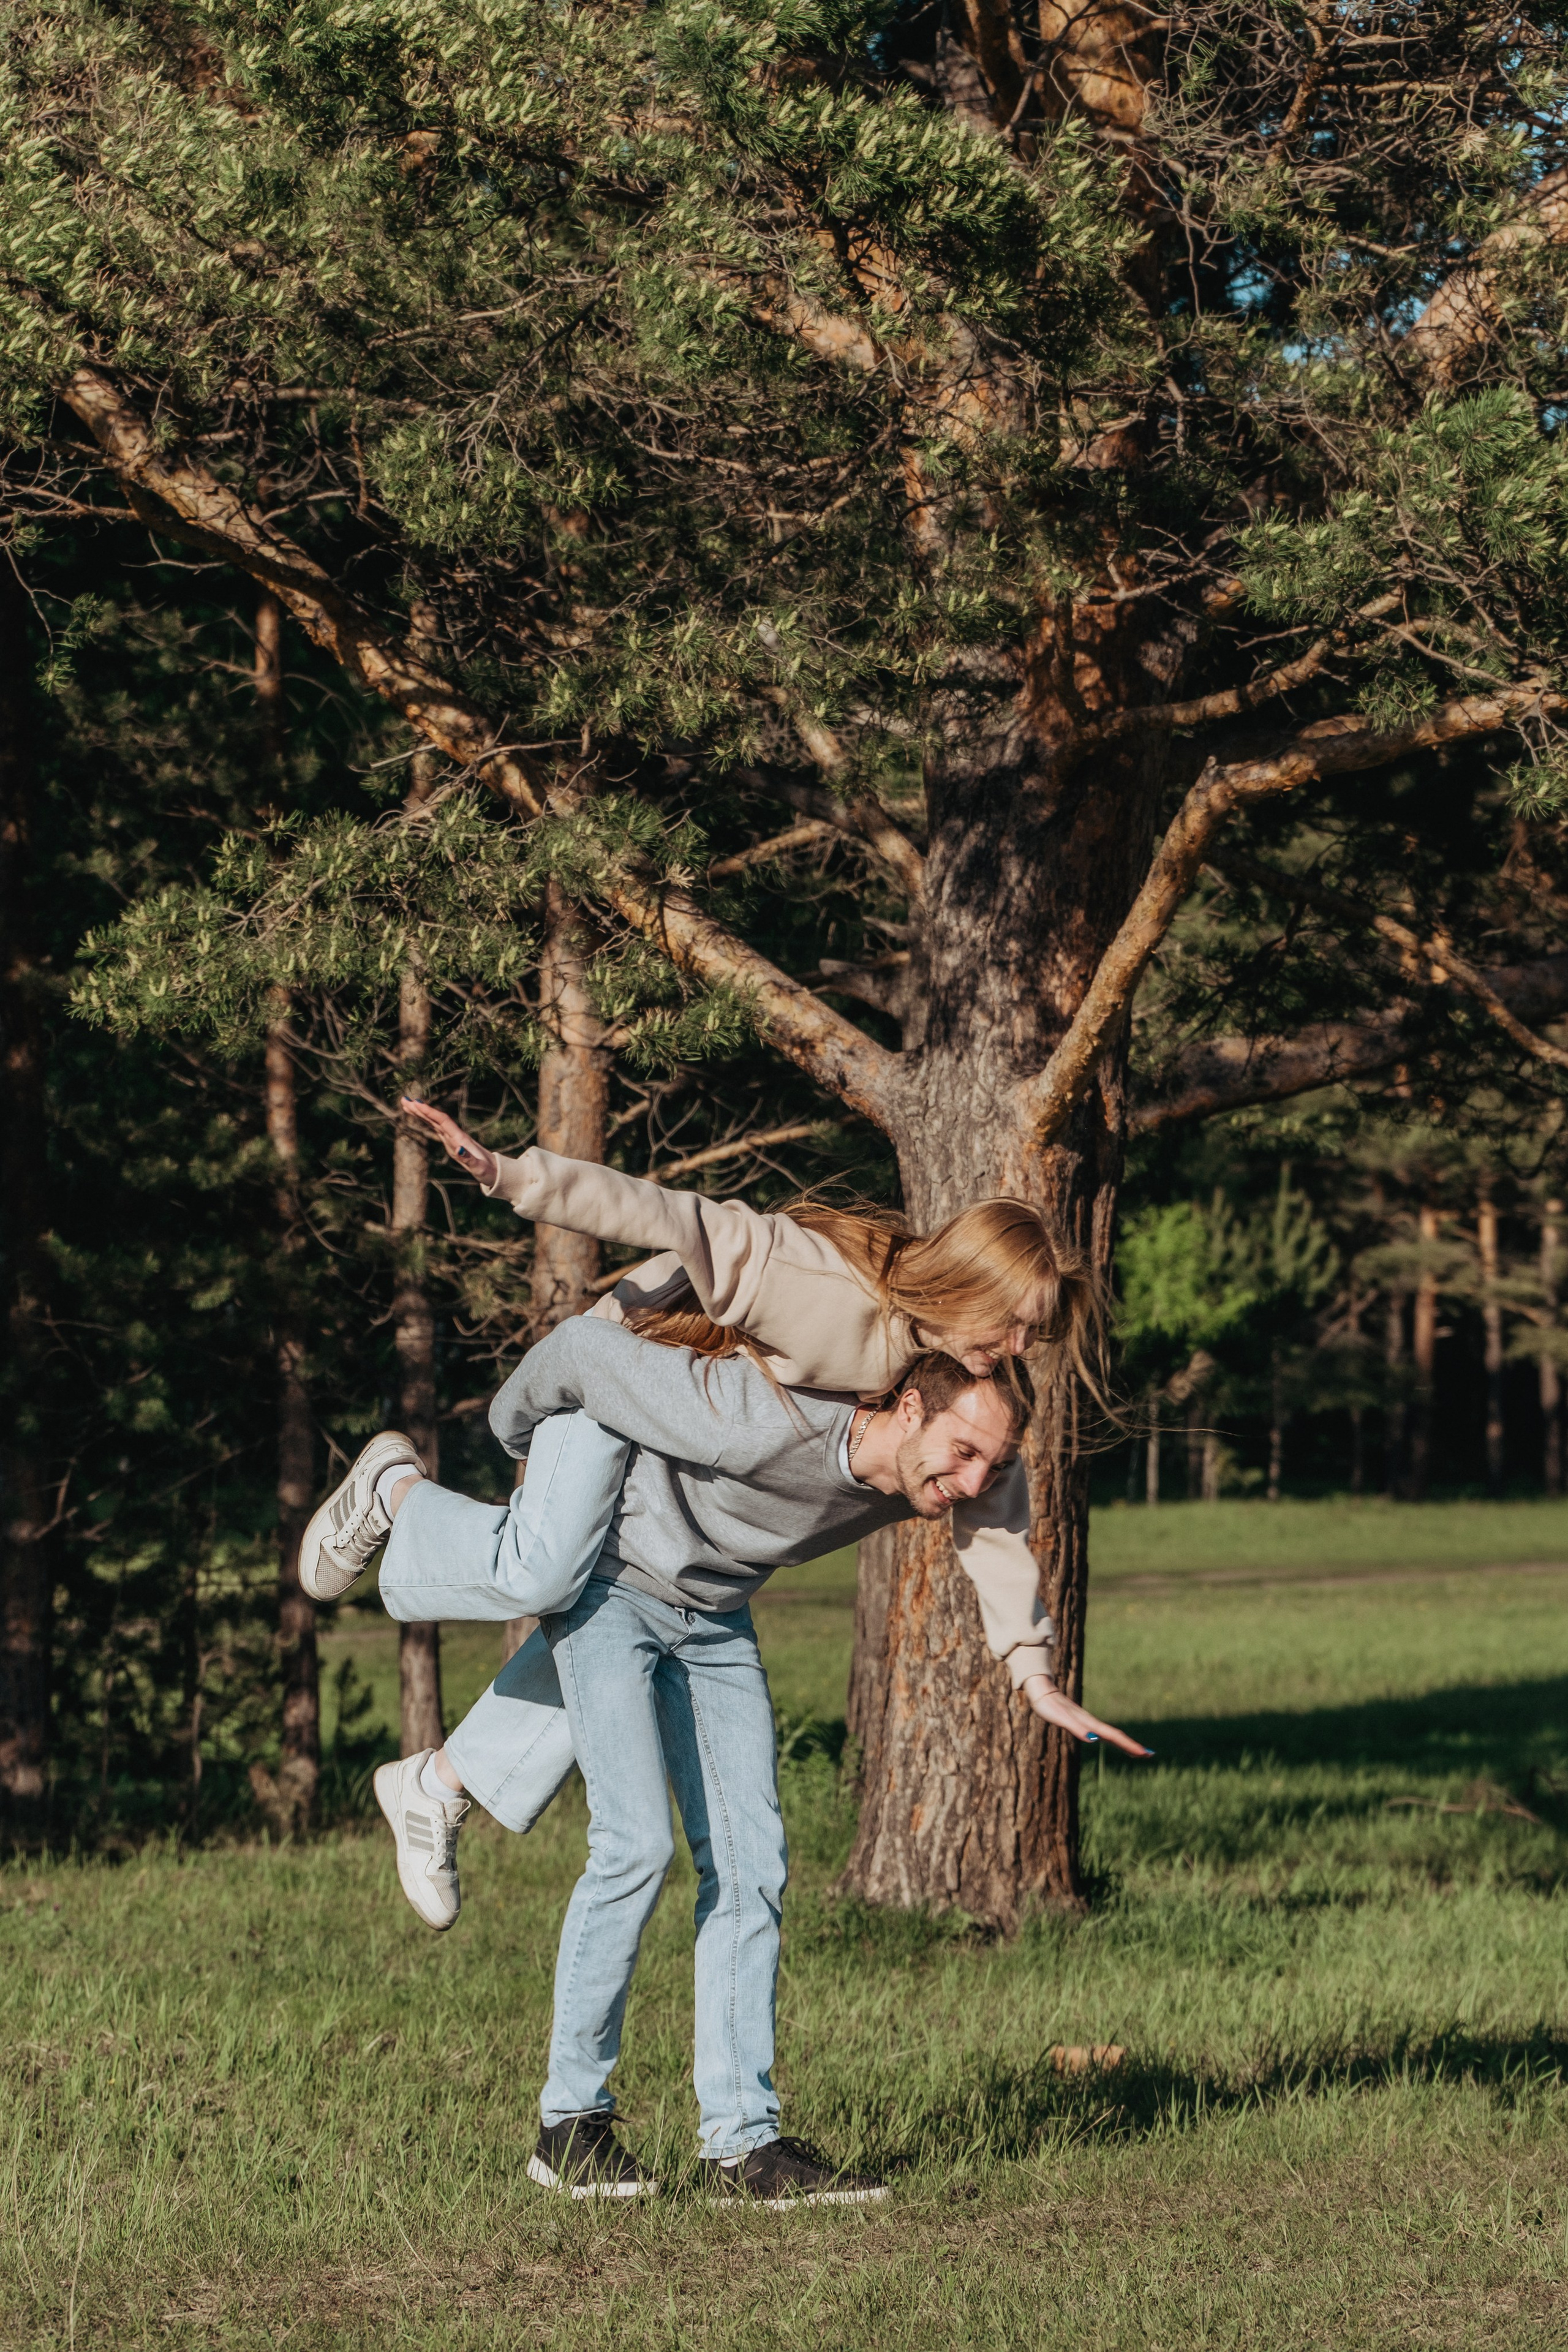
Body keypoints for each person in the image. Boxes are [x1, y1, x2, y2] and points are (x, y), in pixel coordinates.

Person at [304, 1316, 1147, 2205]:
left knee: (754, 1866)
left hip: (713, 1616)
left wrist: (1035, 1672)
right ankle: (570, 2128)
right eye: (965, 1451)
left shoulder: (948, 1473)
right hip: (610, 1583)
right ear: (907, 1408)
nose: (972, 1480)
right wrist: (514, 1420)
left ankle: (743, 2147)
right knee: (635, 1847)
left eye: (994, 1464)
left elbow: (1004, 1535)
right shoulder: (776, 1415)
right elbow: (615, 1348)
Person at [298, 1101, 1143, 1929]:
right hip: (619, 1372)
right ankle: (393, 1491)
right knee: (543, 1571)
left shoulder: (943, 1365)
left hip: (682, 1434)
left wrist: (1032, 1670)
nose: (1022, 1349)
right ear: (970, 1287)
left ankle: (435, 1787)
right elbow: (673, 1214)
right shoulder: (824, 1286)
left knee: (623, 1596)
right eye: (1017, 1326)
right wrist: (512, 1176)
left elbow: (993, 1514)